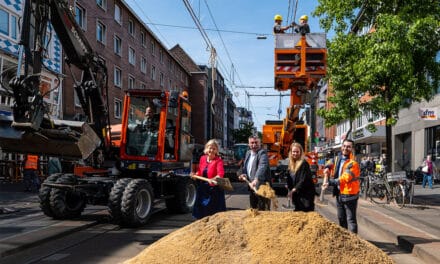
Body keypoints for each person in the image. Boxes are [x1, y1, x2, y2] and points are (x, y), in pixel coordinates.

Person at [322, 139, 360, 233]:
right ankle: (344, 239)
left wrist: (329, 182)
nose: (345, 148)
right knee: (341, 218)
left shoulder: (353, 163)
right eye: (344, 146)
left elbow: (345, 178)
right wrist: (327, 168)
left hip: (349, 195)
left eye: (348, 146)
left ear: (352, 149)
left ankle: (354, 242)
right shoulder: (337, 159)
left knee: (351, 220)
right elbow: (330, 162)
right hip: (339, 193)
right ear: (341, 147)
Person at [191, 139, 227, 219]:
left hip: (214, 190)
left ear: (216, 150)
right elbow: (200, 172)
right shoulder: (202, 158)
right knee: (201, 212)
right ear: (206, 148)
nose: (211, 150)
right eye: (210, 148)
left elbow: (220, 174)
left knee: (212, 214)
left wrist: (213, 179)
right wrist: (195, 175)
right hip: (203, 189)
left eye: (214, 148)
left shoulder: (219, 161)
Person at [238, 135, 271, 210]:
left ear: (260, 143)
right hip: (252, 188)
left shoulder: (262, 153)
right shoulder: (248, 153)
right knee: (253, 210)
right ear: (249, 144)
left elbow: (262, 166)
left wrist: (256, 179)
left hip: (262, 189)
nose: (254, 145)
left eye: (256, 143)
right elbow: (245, 167)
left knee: (263, 212)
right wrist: (243, 174)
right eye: (252, 143)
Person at [286, 142, 315, 212]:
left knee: (305, 215)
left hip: (305, 196)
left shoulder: (304, 164)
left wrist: (294, 189)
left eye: (297, 152)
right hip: (297, 195)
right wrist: (289, 187)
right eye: (293, 152)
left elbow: (303, 179)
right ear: (291, 152)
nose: (295, 153)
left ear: (300, 152)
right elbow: (290, 177)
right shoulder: (291, 164)